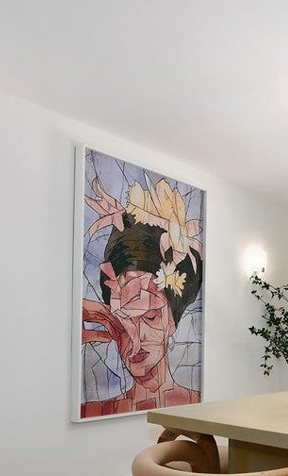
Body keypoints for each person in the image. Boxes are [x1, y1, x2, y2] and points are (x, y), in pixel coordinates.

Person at [80, 178, 203, 418]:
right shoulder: (92, 412)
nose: (135, 341)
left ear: (171, 321)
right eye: (122, 321)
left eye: (150, 316)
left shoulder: (200, 407)